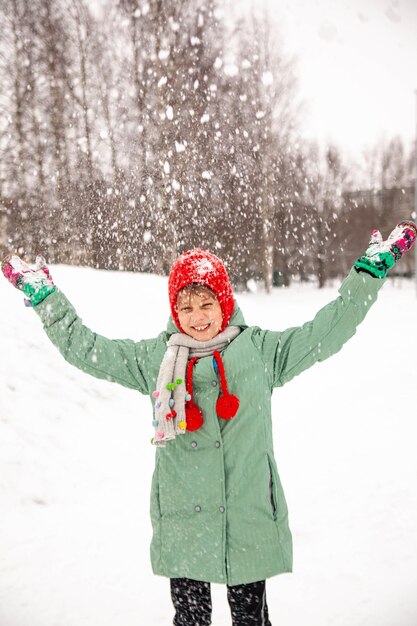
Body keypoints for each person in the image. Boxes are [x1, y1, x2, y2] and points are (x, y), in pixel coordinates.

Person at [2, 220, 416, 626]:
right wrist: (47, 300)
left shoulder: (260, 353)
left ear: (225, 302)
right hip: (185, 518)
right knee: (190, 620)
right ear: (174, 311)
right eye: (185, 307)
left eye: (206, 304)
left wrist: (367, 274)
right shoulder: (155, 360)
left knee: (251, 620)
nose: (197, 318)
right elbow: (85, 348)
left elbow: (328, 331)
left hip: (247, 514)